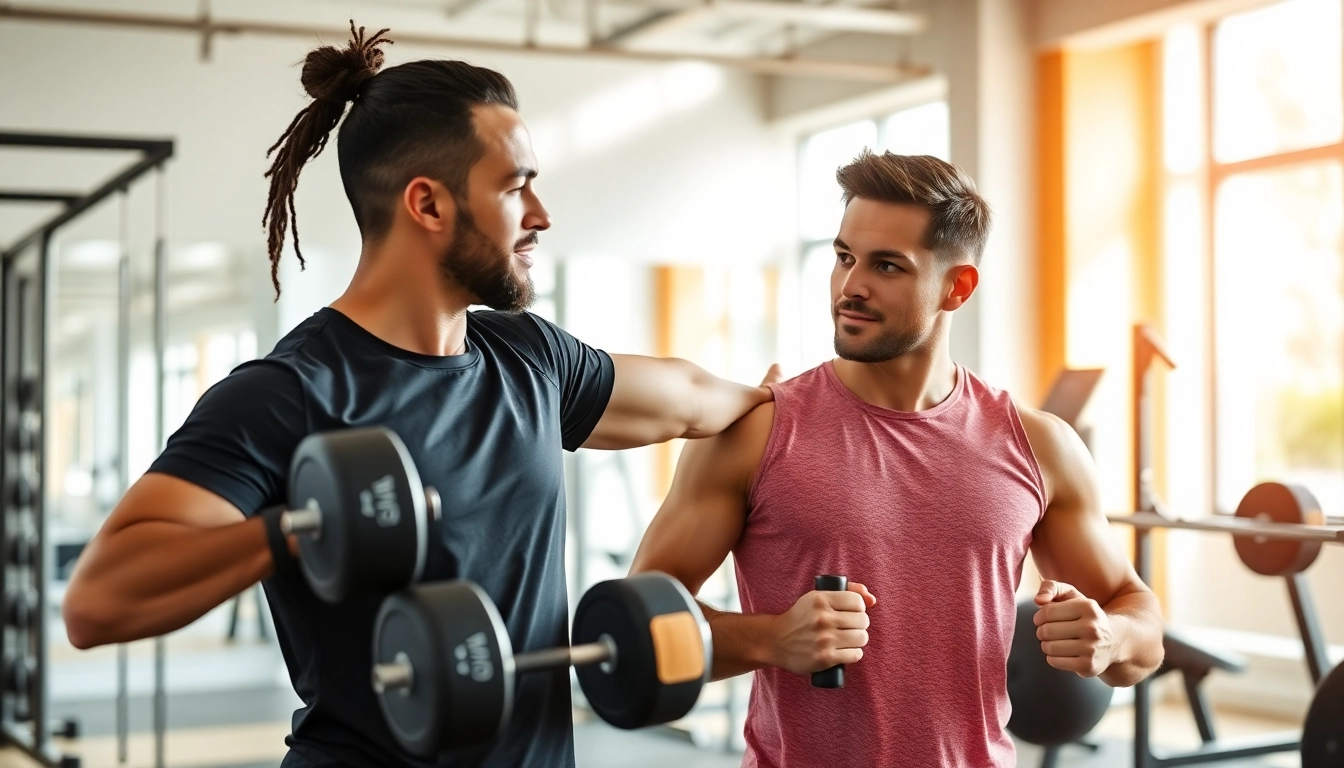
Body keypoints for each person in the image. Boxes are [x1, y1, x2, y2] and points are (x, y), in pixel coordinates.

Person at [62, 24, 777, 768]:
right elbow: (98, 602)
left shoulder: (529, 360)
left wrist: (784, 399)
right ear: (428, 205)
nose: (541, 214)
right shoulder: (291, 394)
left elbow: (691, 396)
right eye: (515, 185)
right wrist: (299, 530)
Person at [629, 151, 1165, 767]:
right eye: (843, 257)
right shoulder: (757, 433)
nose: (850, 285)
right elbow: (645, 623)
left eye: (886, 266)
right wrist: (771, 639)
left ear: (956, 287)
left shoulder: (1040, 446)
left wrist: (1110, 636)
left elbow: (1137, 617)